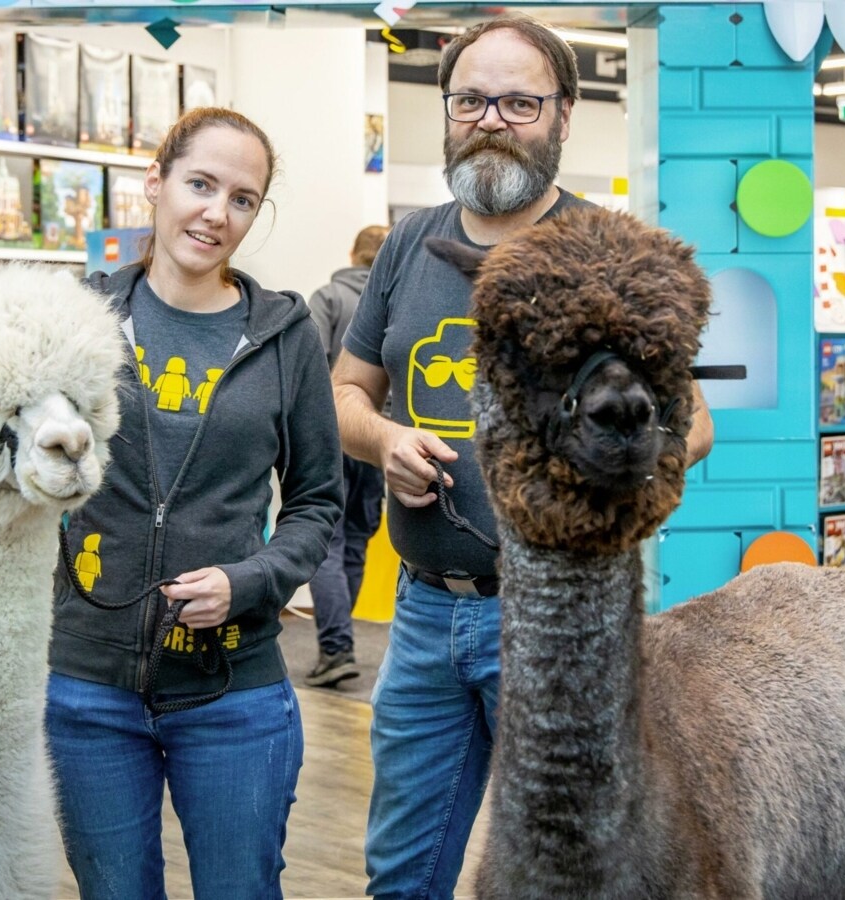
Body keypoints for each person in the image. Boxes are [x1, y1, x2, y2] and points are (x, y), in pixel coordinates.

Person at [331, 14, 715, 897]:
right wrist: (384, 439)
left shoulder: (612, 252)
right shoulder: (406, 245)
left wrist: (603, 478)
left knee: (577, 872)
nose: (491, 119)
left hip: (560, 625)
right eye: (471, 99)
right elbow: (347, 394)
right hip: (423, 617)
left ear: (565, 115)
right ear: (447, 109)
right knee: (401, 873)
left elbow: (691, 425)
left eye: (518, 101)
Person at [45, 106, 343, 900]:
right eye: (201, 184)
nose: (217, 212)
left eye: (242, 198)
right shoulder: (77, 320)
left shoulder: (285, 337)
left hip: (233, 693)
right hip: (84, 686)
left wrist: (250, 582)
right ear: (157, 182)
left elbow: (319, 502)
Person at [304, 225, 390, 687]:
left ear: (352, 252)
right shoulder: (393, 301)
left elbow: (311, 364)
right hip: (376, 438)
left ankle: (336, 648)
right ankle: (340, 642)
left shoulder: (328, 297)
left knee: (328, 544)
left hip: (331, 438)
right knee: (355, 540)